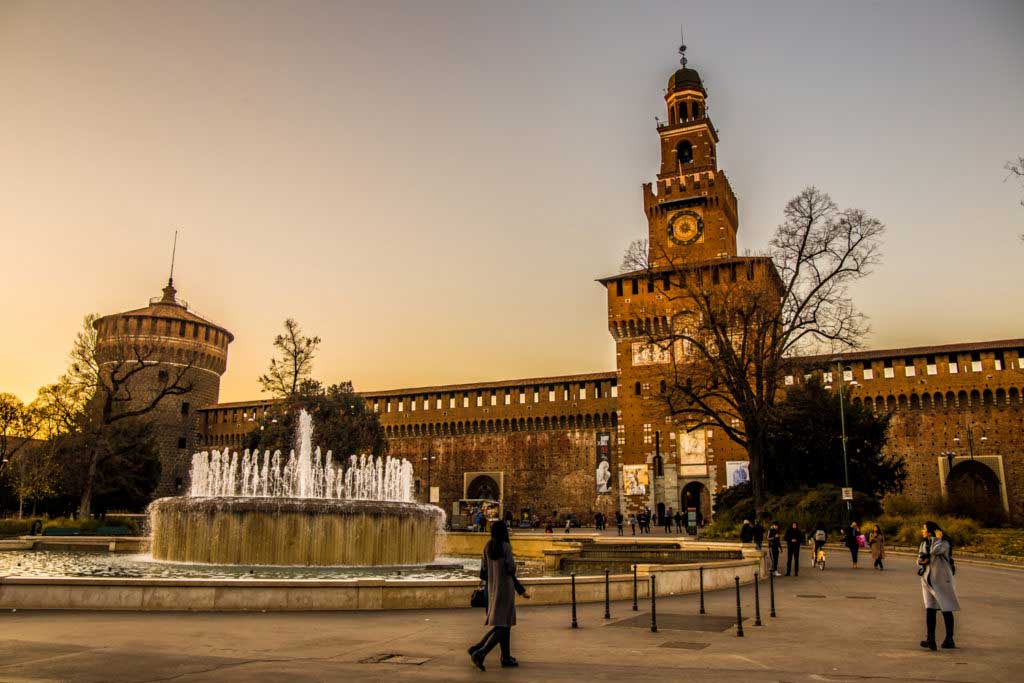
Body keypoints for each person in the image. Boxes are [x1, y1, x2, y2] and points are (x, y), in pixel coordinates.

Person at [470, 521, 530, 670]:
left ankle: (505, 657)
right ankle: (481, 653)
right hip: (505, 589)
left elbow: (483, 572)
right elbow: (511, 568)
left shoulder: (487, 546)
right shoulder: (505, 547)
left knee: (503, 624)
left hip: (491, 589)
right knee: (504, 625)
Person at [918, 521, 960, 650]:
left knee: (946, 608)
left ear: (930, 531)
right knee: (929, 608)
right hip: (927, 579)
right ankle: (930, 639)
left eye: (924, 529)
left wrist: (937, 538)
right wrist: (921, 561)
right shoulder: (924, 543)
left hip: (941, 580)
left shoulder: (944, 543)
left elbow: (935, 551)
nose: (922, 531)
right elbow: (920, 558)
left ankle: (949, 638)